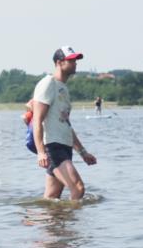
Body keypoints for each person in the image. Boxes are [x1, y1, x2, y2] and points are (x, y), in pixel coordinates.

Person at [32, 47, 98, 201]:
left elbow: (66, 124)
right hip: (53, 147)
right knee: (78, 188)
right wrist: (41, 152)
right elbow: (37, 120)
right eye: (71, 60)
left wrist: (82, 152)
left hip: (65, 147)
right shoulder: (48, 83)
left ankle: (49, 224)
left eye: (75, 60)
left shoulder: (63, 88)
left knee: (51, 198)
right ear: (59, 62)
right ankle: (71, 224)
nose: (75, 63)